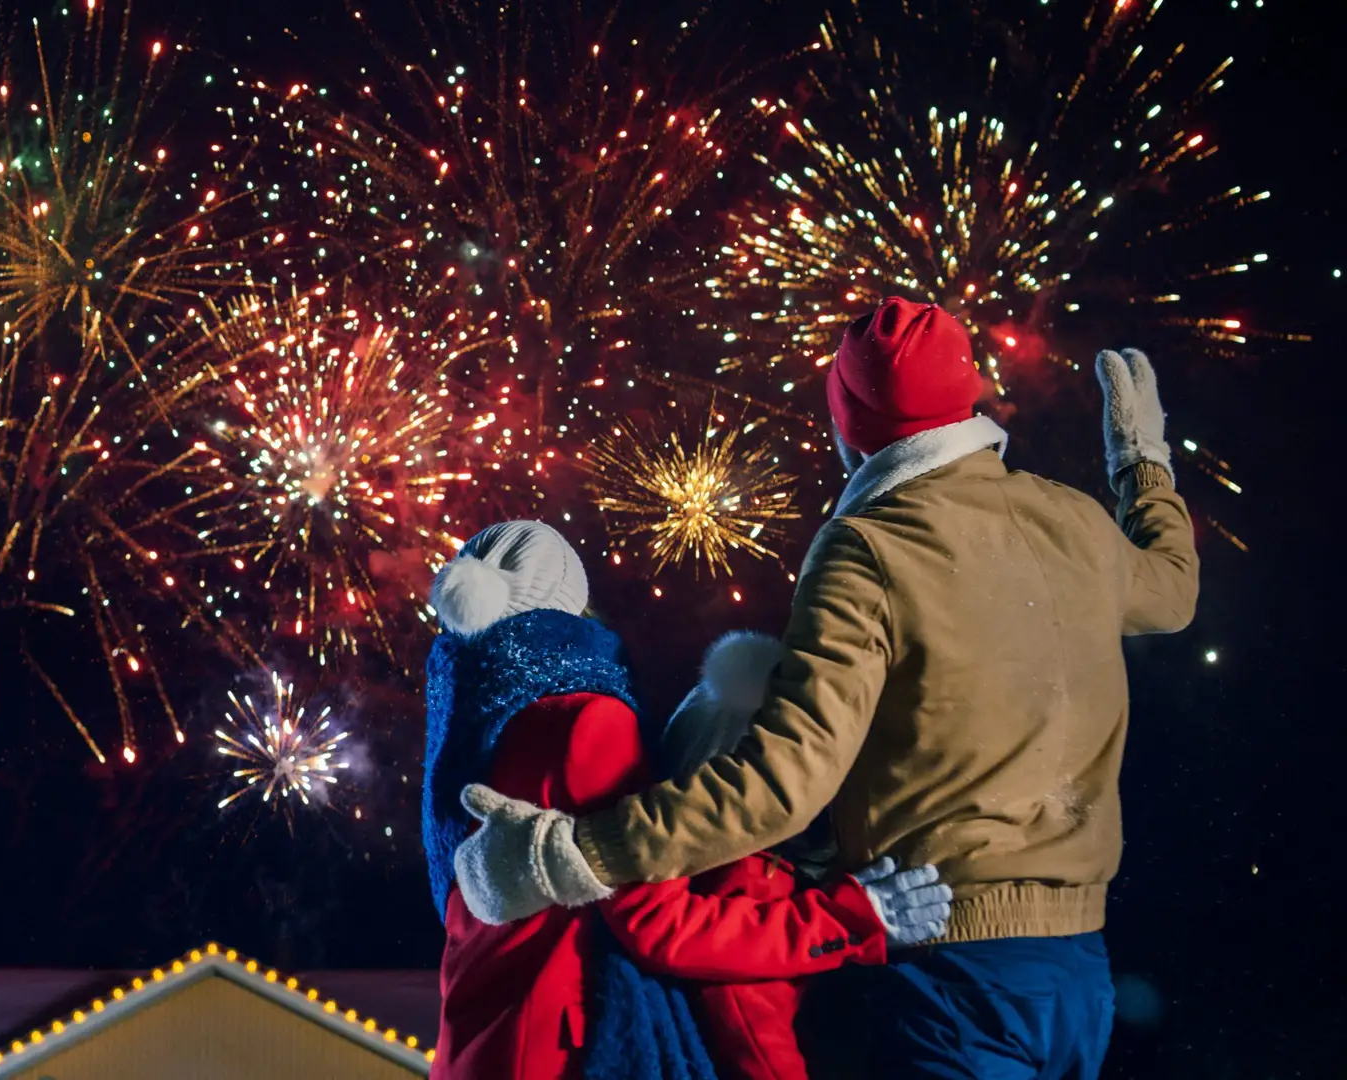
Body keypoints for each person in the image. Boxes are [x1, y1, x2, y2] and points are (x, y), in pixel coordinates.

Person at [450, 299, 1199, 1079]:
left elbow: (784, 783)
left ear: (850, 423)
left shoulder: (872, 546)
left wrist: (573, 854)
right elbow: (1172, 592)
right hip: (1079, 969)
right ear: (968, 394)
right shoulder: (1072, 520)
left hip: (950, 966)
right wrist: (1143, 461)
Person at [424, 521, 949, 1080]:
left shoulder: (463, 725)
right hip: (562, 1049)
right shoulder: (589, 720)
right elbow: (654, 921)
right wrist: (848, 919)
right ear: (568, 600)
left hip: (475, 1046)